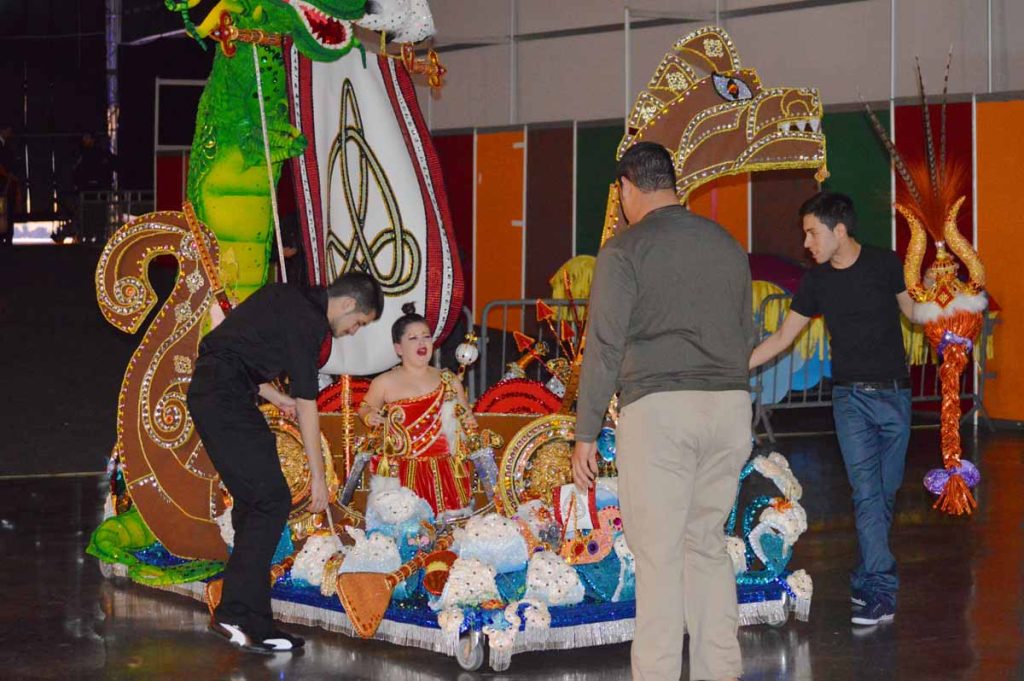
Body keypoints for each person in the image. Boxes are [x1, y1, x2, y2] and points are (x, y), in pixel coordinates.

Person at [571, 142, 753, 681]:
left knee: (658, 559)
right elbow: (746, 332)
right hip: (729, 409)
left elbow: (603, 346)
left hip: (660, 413)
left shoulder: (625, 249)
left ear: (627, 188)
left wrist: (585, 433)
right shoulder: (726, 243)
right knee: (707, 546)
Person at [187, 271, 384, 653]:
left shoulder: (284, 296)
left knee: (256, 503)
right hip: (223, 397)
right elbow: (309, 404)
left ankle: (252, 616)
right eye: (358, 322)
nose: (353, 331)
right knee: (271, 500)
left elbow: (231, 347)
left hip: (221, 391)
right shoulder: (308, 322)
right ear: (345, 305)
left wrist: (275, 399)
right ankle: (237, 614)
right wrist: (319, 477)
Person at [749, 191, 914, 627]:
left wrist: (952, 317)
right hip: (851, 402)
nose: (806, 243)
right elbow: (784, 337)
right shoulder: (817, 282)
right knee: (866, 495)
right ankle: (881, 592)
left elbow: (914, 313)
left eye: (812, 233)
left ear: (839, 231)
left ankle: (865, 575)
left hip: (895, 398)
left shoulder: (885, 264)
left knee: (885, 494)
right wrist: (730, 367)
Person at [358, 303, 478, 516]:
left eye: (426, 336)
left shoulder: (448, 379)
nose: (422, 342)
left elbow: (465, 417)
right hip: (403, 473)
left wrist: (468, 422)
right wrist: (369, 416)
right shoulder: (385, 381)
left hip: (445, 473)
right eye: (412, 338)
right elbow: (366, 407)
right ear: (398, 348)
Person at [0, 126, 19, 248]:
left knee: (8, 211)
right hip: (3, 182)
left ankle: (7, 237)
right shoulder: (5, 147)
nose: (10, 133)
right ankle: (6, 238)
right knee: (4, 212)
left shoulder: (7, 146)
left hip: (6, 182)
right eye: (8, 130)